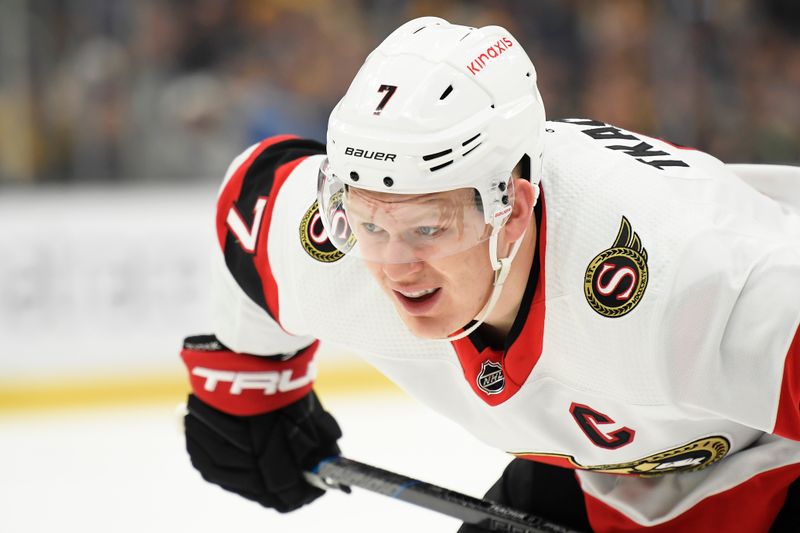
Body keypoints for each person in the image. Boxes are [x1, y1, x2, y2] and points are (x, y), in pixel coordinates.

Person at [179, 17, 800, 532]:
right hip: (597, 479)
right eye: (369, 224)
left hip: (772, 465)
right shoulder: (334, 248)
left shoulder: (686, 278)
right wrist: (251, 394)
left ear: (514, 210)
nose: (395, 267)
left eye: (428, 228)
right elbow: (251, 206)